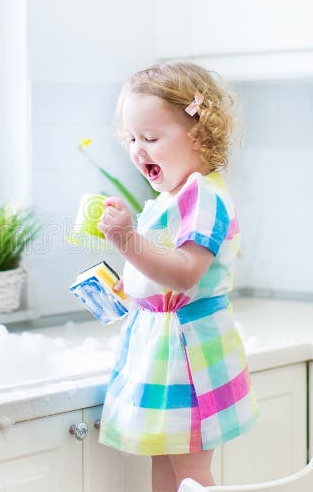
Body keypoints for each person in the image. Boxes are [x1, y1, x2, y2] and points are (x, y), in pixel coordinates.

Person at [97, 62, 258, 492]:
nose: (137, 149)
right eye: (131, 138)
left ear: (200, 133)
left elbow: (187, 273)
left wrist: (127, 239)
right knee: (166, 469)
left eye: (150, 138)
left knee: (190, 471)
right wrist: (131, 288)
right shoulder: (171, 197)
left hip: (188, 352)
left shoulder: (203, 196)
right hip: (163, 343)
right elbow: (162, 271)